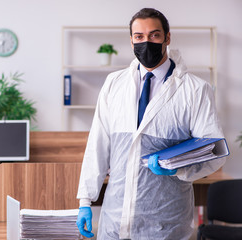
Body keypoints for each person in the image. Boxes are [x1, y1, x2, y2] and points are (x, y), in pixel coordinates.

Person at [76, 8, 225, 240]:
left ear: (167, 37)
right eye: (139, 37)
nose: (146, 42)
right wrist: (85, 200)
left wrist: (180, 166)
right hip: (115, 218)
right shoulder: (114, 84)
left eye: (154, 35)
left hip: (166, 221)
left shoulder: (195, 89)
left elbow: (215, 151)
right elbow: (98, 145)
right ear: (131, 40)